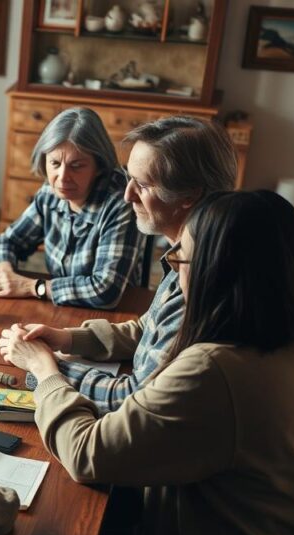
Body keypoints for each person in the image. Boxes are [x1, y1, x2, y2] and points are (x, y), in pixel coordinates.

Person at [0, 190, 294, 535]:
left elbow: (86, 454)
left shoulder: (214, 370)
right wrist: (71, 339)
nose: (175, 267)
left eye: (182, 257)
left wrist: (44, 371)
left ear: (218, 274)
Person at [14, 116, 238, 412]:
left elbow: (133, 400)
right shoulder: (182, 255)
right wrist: (68, 339)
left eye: (142, 185)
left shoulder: (199, 280)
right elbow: (147, 329)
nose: (127, 194)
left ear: (189, 195)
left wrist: (46, 368)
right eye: (129, 178)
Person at [0, 107, 145, 310]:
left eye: (76, 166)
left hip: (116, 318)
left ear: (99, 166)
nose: (62, 177)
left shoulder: (121, 204)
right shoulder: (49, 193)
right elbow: (7, 241)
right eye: (55, 163)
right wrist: (3, 271)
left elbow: (105, 291)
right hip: (62, 307)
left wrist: (32, 287)